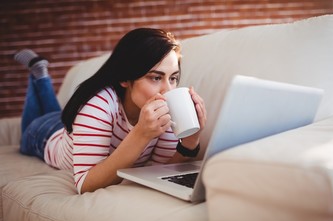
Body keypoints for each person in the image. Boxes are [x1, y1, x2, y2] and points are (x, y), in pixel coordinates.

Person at [15, 28, 207, 194]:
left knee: (54, 113)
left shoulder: (163, 110)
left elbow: (161, 169)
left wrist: (190, 141)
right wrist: (141, 133)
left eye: (173, 78)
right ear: (125, 78)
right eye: (156, 78)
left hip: (76, 128)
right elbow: (85, 185)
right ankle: (40, 76)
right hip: (46, 136)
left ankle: (40, 75)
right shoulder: (99, 104)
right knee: (33, 125)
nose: (168, 90)